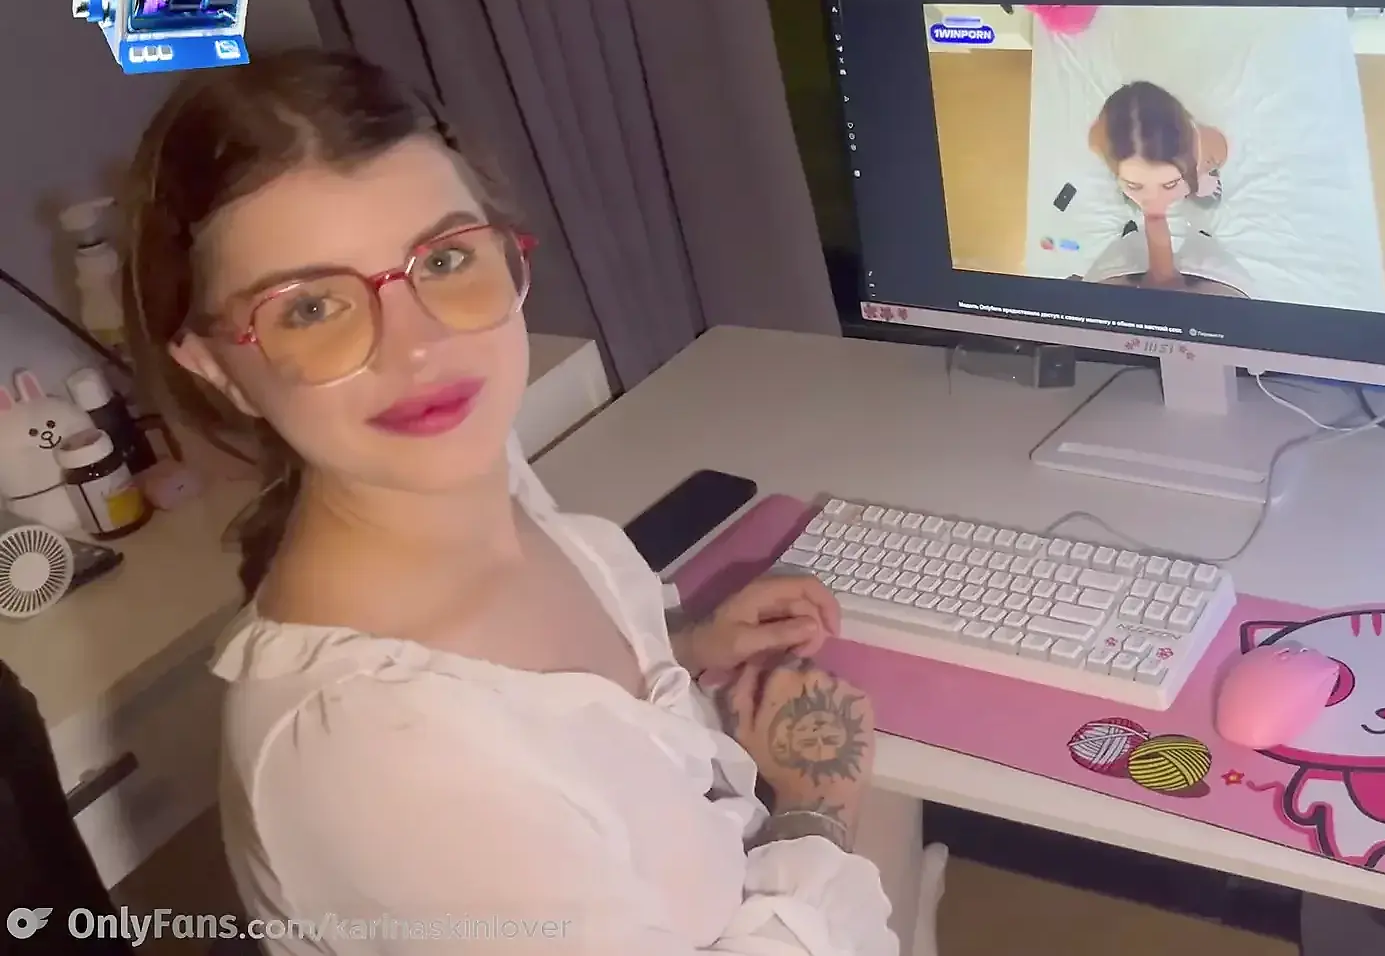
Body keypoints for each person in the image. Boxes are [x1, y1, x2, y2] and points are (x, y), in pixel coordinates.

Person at [122, 49, 896, 955]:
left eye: (445, 258)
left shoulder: (470, 467)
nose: (419, 347)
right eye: (310, 309)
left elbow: (547, 710)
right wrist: (817, 811)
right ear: (215, 368)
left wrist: (685, 649)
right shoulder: (382, 758)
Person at [1078, 81, 1254, 298]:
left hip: (1196, 173)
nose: (1154, 202)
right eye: (1135, 185)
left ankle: (1200, 231)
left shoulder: (1210, 146)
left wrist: (1201, 176)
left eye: (1169, 184)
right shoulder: (1098, 139)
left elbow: (1214, 160)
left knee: (1206, 195)